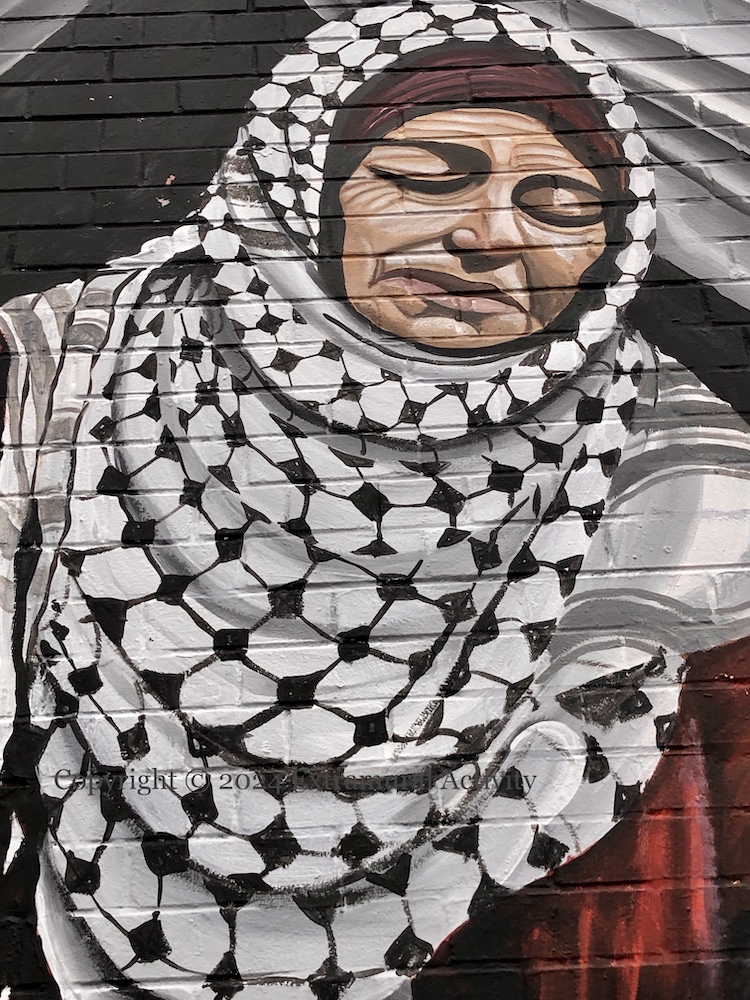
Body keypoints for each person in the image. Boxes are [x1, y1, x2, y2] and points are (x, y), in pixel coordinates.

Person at [1, 3, 750, 998]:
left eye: (561, 207)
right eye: (428, 179)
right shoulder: (65, 371)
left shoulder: (678, 469)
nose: (490, 237)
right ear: (306, 194)